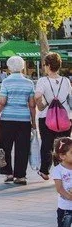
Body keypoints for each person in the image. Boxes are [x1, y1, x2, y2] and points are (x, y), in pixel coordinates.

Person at [0, 55, 36, 185]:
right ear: (22, 67)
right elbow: (32, 105)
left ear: (9, 67)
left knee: (5, 147)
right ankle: (20, 176)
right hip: (24, 120)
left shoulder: (6, 82)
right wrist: (33, 122)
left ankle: (8, 173)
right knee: (23, 148)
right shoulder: (29, 83)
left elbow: (1, 102)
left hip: (7, 119)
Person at [35, 53, 72, 181]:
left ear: (49, 66)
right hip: (65, 117)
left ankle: (45, 171)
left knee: (47, 144)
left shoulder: (42, 81)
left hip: (47, 117)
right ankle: (62, 171)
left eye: (45, 65)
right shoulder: (66, 81)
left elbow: (37, 96)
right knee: (63, 144)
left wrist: (41, 105)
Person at [48, 137, 72, 227]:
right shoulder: (58, 170)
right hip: (66, 208)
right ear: (62, 156)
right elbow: (60, 189)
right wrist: (69, 197)